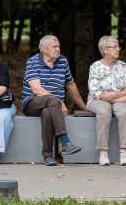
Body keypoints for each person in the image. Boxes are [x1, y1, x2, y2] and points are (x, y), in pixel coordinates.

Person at [21, 35, 87, 166]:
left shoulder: (63, 61)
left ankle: (48, 156)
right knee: (52, 102)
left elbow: (70, 85)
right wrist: (59, 101)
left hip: (52, 106)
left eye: (59, 46)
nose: (58, 49)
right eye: (54, 47)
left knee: (47, 113)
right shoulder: (33, 61)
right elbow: (36, 90)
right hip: (32, 103)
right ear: (44, 49)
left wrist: (83, 107)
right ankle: (65, 141)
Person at [87, 35, 126, 166]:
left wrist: (113, 97)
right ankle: (103, 152)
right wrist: (118, 96)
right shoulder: (95, 67)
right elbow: (95, 92)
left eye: (118, 46)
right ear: (105, 49)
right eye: (115, 47)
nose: (118, 49)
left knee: (124, 111)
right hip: (97, 99)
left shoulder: (124, 66)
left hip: (118, 99)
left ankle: (124, 151)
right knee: (103, 111)